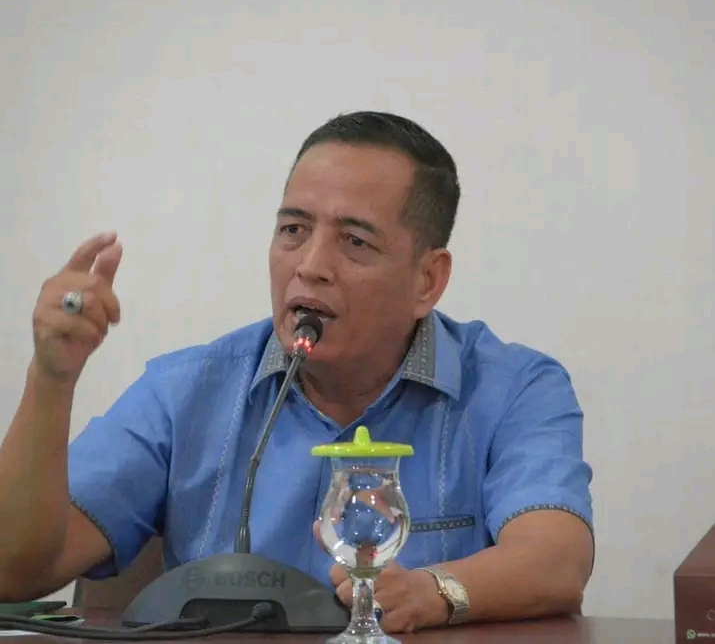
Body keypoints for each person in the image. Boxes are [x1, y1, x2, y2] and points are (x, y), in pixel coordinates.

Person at [0, 111, 594, 633]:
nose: (310, 266)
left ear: (427, 280)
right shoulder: (185, 394)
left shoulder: (513, 389)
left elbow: (556, 562)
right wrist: (52, 378)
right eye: (293, 231)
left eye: (354, 242)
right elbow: (14, 570)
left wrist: (433, 592)